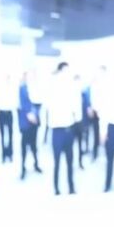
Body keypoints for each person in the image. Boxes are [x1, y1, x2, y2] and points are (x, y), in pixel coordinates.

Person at [46, 62, 80, 196]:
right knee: (57, 161)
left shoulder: (71, 86)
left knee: (70, 161)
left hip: (69, 128)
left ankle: (71, 187)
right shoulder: (52, 85)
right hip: (57, 129)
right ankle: (56, 188)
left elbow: (76, 107)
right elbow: (47, 104)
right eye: (65, 71)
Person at [17, 70, 41, 180]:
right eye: (29, 76)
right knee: (24, 146)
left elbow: (38, 104)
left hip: (34, 122)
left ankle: (36, 164)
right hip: (25, 123)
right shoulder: (22, 88)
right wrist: (30, 115)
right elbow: (23, 105)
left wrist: (35, 116)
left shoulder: (36, 88)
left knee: (34, 145)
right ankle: (23, 168)